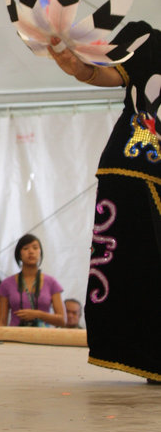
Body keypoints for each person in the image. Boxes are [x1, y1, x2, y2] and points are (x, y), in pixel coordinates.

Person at [48, 25, 160, 381]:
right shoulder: (149, 42)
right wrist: (78, 68)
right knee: (142, 264)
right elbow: (104, 73)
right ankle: (151, 358)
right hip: (139, 162)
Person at [0, 234, 65, 327]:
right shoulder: (6, 284)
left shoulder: (51, 282)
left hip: (43, 338)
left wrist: (38, 314)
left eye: (35, 248)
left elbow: (62, 320)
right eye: (25, 248)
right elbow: (1, 322)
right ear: (19, 254)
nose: (31, 251)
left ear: (40, 252)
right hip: (15, 337)